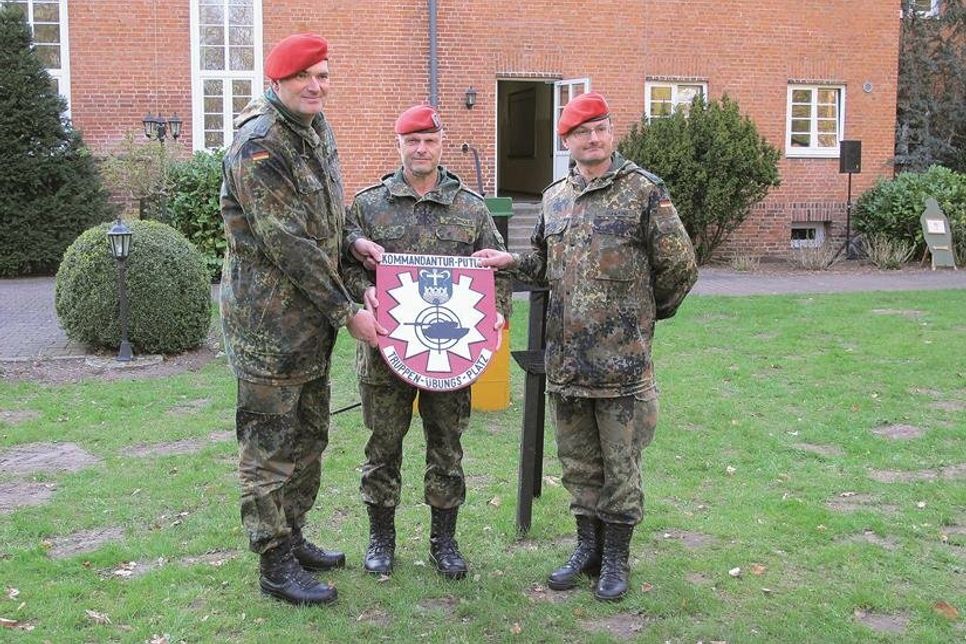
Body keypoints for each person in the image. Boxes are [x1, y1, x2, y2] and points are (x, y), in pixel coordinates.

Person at [474, 91, 697, 601]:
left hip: (622, 367)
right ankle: (586, 550)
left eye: (600, 128)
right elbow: (543, 266)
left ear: (611, 132)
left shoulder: (643, 192)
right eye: (581, 132)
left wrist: (642, 317)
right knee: (578, 465)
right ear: (567, 141)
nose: (592, 139)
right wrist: (509, 264)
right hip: (567, 363)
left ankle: (616, 559)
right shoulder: (555, 198)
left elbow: (680, 267)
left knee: (621, 467)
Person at [220, 32, 384, 606]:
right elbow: (288, 242)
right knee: (269, 446)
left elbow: (326, 216)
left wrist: (356, 242)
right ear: (278, 83)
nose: (316, 86)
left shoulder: (315, 129)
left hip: (308, 326)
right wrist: (348, 312)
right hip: (268, 328)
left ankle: (293, 535)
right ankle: (273, 561)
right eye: (303, 78)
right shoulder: (258, 145)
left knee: (311, 435)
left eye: (323, 75)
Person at [342, 104, 511, 580]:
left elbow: (496, 272)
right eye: (412, 140)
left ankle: (444, 540)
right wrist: (362, 291)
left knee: (446, 446)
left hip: (453, 354)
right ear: (399, 144)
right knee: (382, 446)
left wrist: (497, 314)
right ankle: (381, 538)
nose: (421, 149)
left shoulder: (470, 208)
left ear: (441, 143)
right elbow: (347, 265)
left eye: (430, 140)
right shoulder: (369, 205)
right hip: (387, 349)